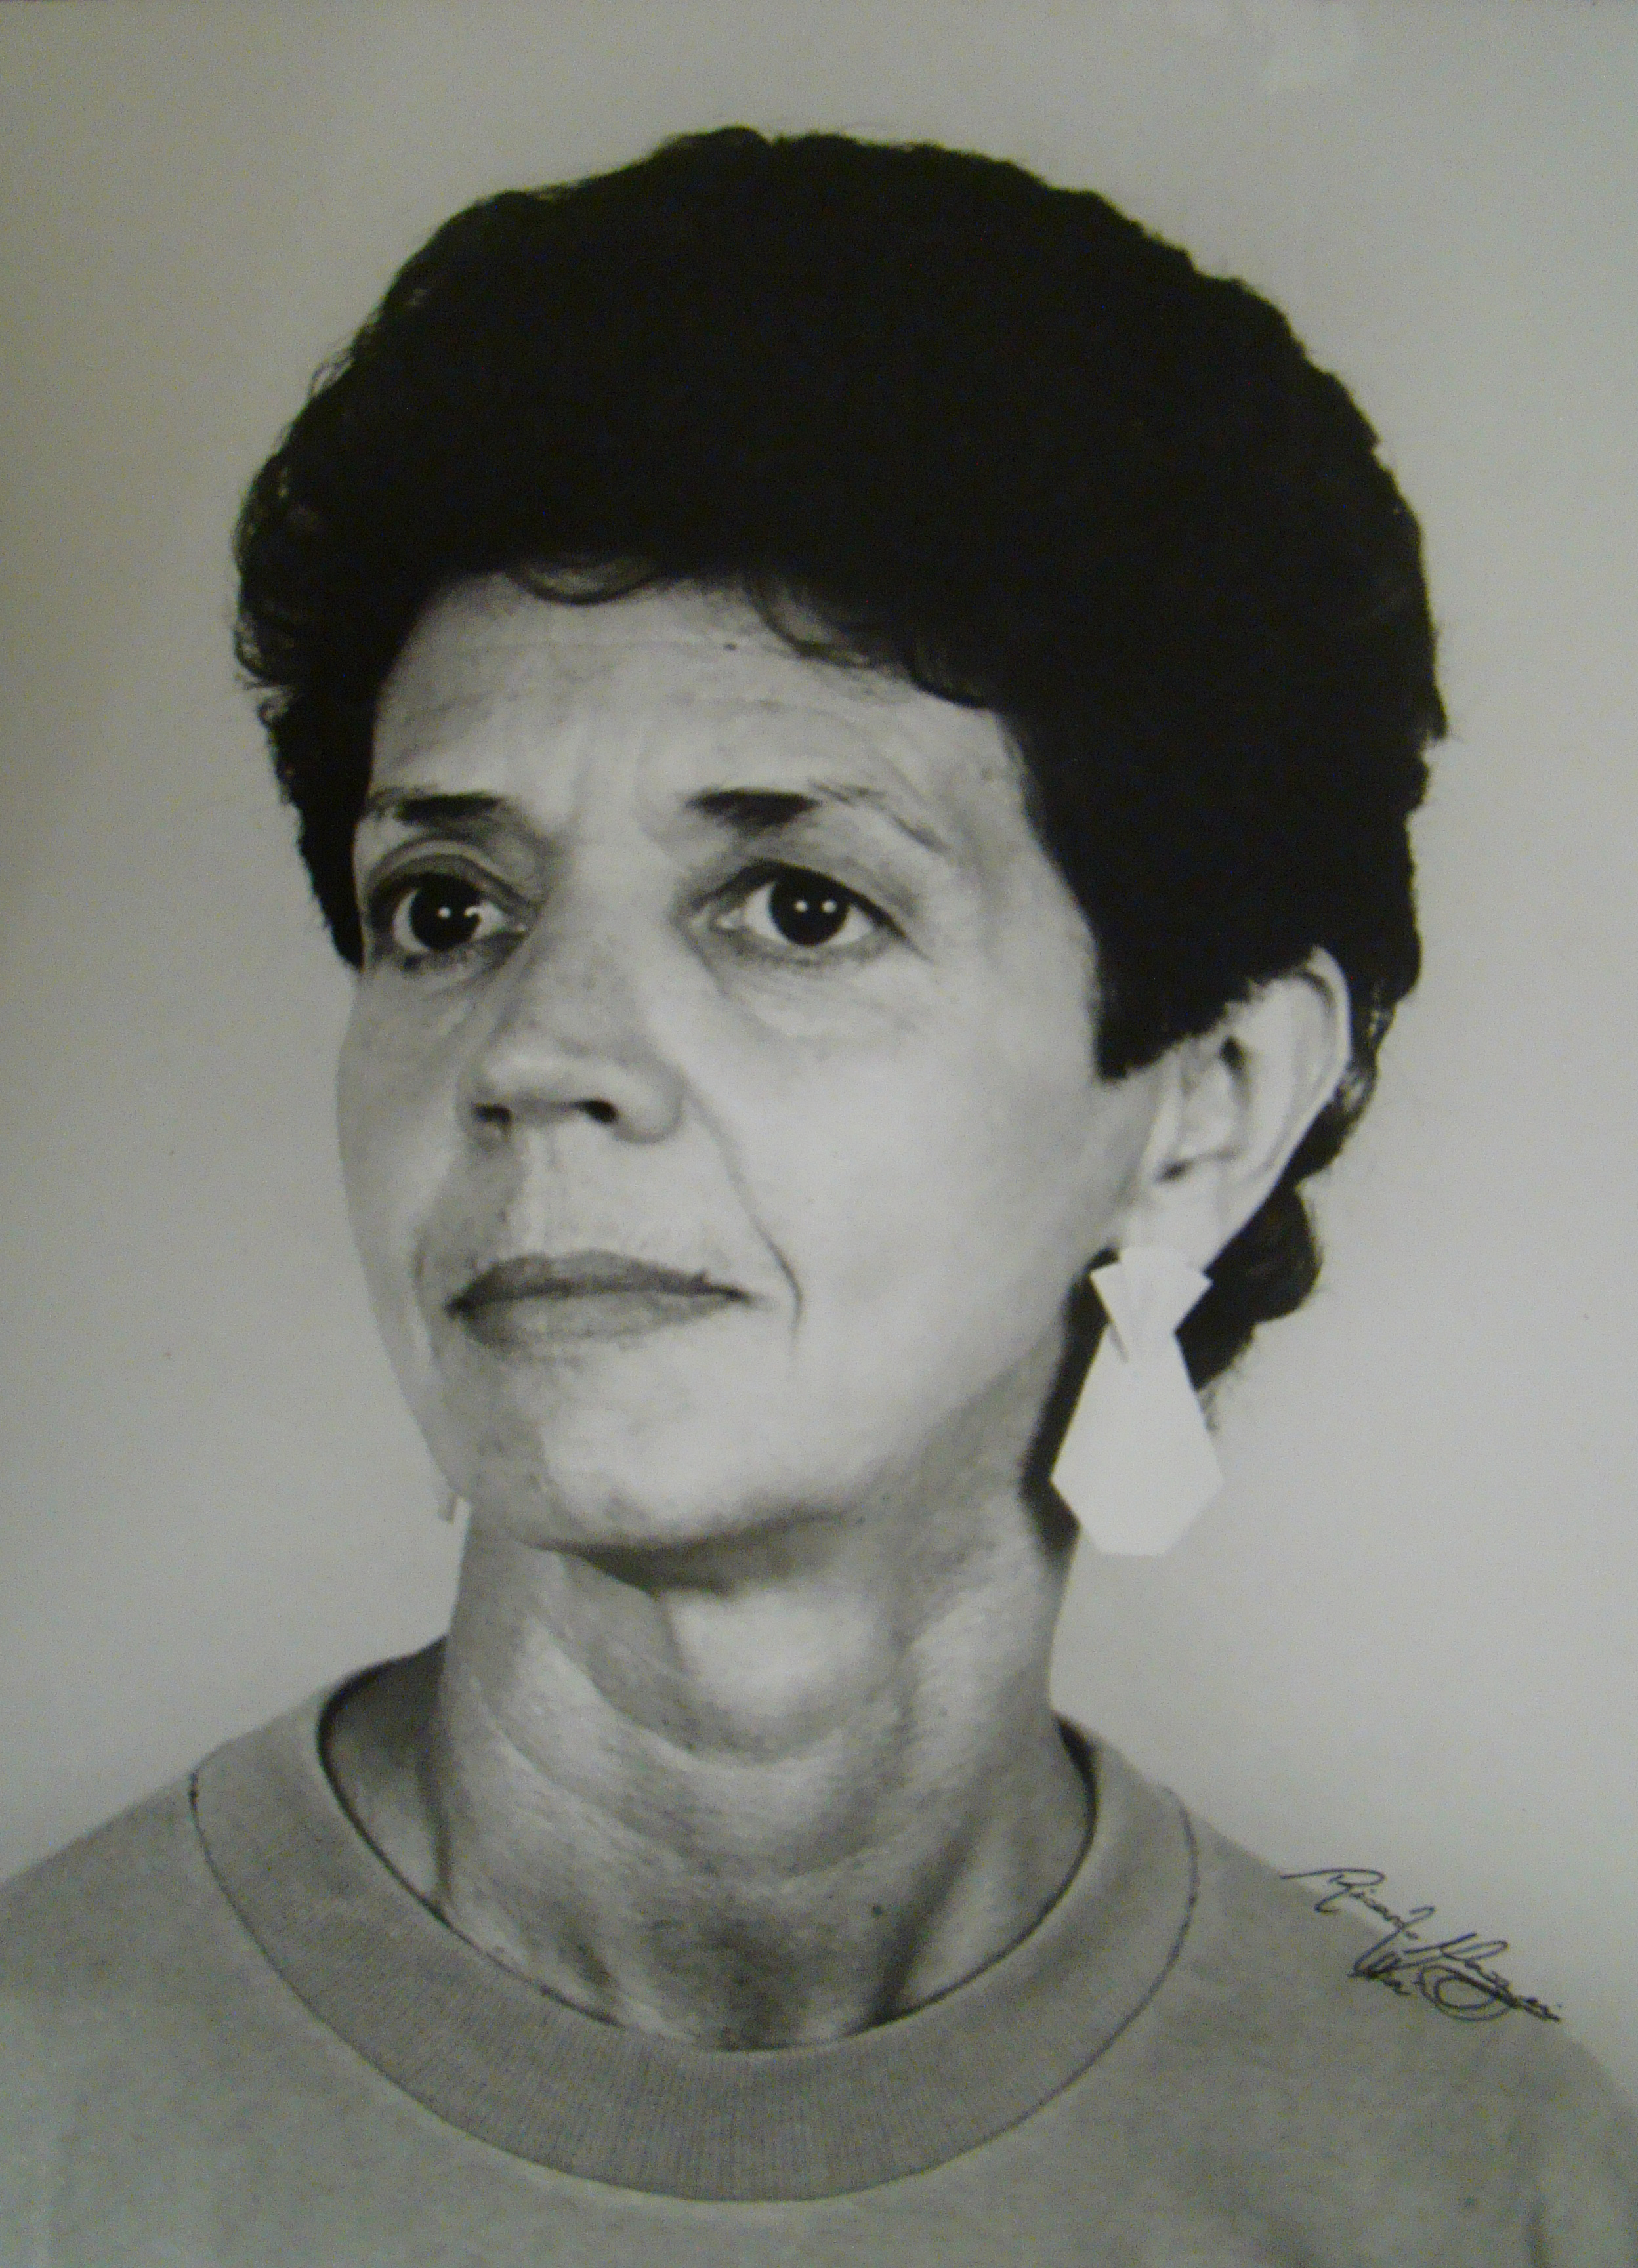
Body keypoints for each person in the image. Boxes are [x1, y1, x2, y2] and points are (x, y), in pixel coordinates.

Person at [2, 127, 1633, 2264]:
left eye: (795, 903)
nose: (533, 1051)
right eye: (448, 905)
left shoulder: (1478, 2182)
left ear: (1209, 1104)